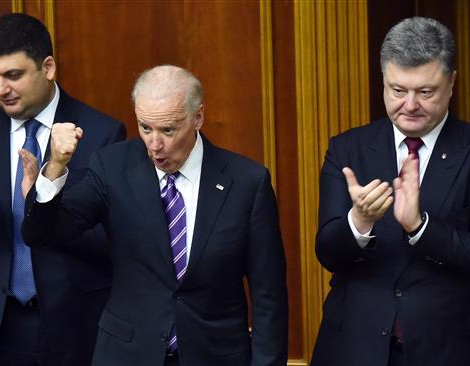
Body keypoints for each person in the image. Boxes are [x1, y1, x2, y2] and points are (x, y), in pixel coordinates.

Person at [20, 65, 288, 366]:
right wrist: (55, 167)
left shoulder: (247, 182)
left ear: (198, 117)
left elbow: (269, 296)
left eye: (168, 130)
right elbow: (43, 233)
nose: (154, 145)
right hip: (128, 354)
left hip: (215, 355)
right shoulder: (112, 167)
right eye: (145, 128)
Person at [310, 17, 470, 366]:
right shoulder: (348, 149)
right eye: (397, 90)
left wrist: (420, 227)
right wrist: (359, 221)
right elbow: (328, 253)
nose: (409, 105)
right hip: (357, 345)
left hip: (454, 347)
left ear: (451, 83)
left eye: (425, 92)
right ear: (383, 81)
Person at [0, 13, 125, 366]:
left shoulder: (101, 133)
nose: (1, 89)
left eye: (13, 75)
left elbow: (113, 242)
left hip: (75, 326)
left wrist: (48, 193)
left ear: (47, 67)